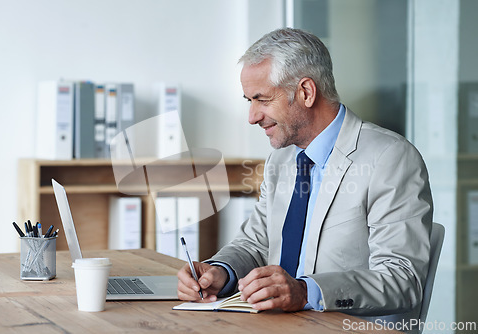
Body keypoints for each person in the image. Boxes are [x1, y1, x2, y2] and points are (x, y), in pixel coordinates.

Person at [177, 28, 433, 326]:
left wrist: (306, 291)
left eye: (262, 99)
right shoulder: (282, 158)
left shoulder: (391, 158)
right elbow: (256, 243)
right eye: (249, 100)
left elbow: (402, 279)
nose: (252, 116)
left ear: (306, 92)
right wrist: (220, 272)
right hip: (277, 325)